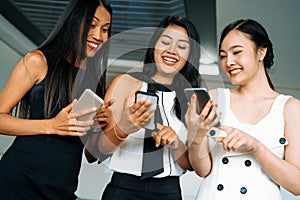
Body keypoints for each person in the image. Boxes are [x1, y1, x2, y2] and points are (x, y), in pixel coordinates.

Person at [0, 0, 112, 199]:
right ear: (74, 22)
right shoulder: (37, 61)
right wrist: (51, 125)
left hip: (62, 187)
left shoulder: (98, 82)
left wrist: (101, 126)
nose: (98, 35)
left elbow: (91, 155)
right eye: (91, 25)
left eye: (105, 29)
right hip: (19, 180)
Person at [186, 19, 300, 199]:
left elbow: (296, 185)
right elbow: (202, 170)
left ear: (261, 52)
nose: (228, 62)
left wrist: (256, 147)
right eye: (223, 56)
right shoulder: (215, 97)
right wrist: (197, 135)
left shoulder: (291, 108)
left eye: (237, 52)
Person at [96, 16, 201, 200]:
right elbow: (101, 149)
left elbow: (191, 165)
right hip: (123, 190)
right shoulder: (124, 83)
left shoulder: (192, 99)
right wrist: (124, 128)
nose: (171, 51)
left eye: (182, 46)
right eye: (166, 42)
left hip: (168, 192)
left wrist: (176, 144)